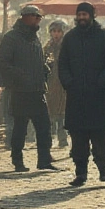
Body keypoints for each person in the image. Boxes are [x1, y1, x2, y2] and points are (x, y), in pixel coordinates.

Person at [58, 2, 105, 186]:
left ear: (92, 16)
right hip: (76, 96)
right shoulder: (70, 38)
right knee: (78, 137)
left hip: (99, 94)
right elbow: (63, 65)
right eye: (80, 15)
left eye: (85, 14)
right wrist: (69, 82)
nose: (82, 18)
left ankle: (103, 167)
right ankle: (81, 172)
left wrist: (103, 80)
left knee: (101, 134)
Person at [0, 5, 58, 172]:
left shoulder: (34, 38)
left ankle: (44, 160)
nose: (38, 20)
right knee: (20, 128)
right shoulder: (12, 38)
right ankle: (17, 160)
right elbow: (2, 63)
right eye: (35, 17)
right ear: (26, 17)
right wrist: (19, 75)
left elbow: (35, 60)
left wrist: (44, 68)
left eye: (39, 17)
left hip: (37, 90)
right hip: (20, 90)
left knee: (44, 127)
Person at [45, 19, 69, 149]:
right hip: (51, 83)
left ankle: (62, 137)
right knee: (51, 111)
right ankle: (50, 137)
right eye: (54, 31)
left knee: (62, 112)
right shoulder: (48, 47)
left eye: (58, 31)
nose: (56, 34)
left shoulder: (67, 46)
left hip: (63, 84)